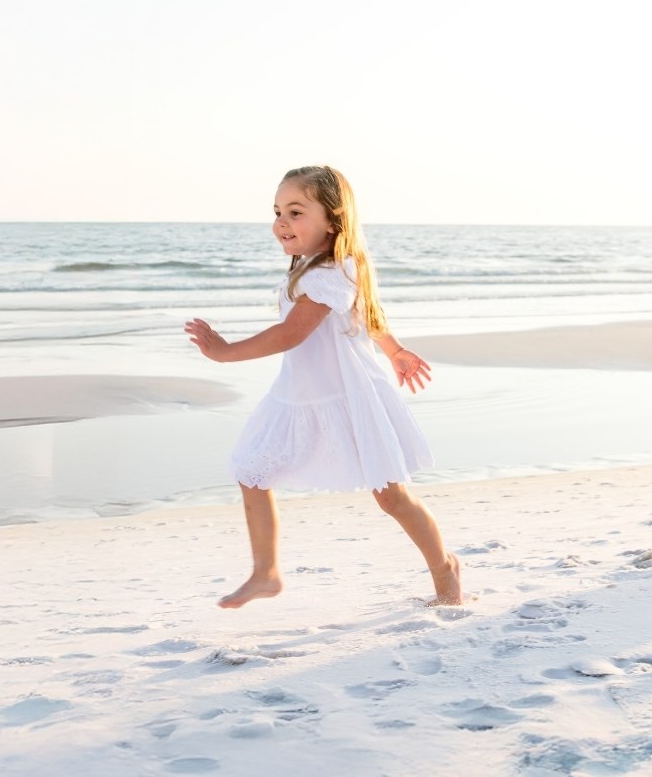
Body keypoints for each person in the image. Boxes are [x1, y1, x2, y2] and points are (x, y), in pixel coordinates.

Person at [185, 163, 462, 610]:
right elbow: (366, 316)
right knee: (250, 469)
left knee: (391, 496)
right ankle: (266, 572)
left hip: (348, 396)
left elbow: (291, 334)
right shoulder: (316, 269)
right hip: (299, 394)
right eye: (277, 211)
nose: (281, 222)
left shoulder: (327, 273)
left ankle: (445, 568)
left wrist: (224, 351)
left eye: (296, 211)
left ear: (333, 221)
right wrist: (394, 350)